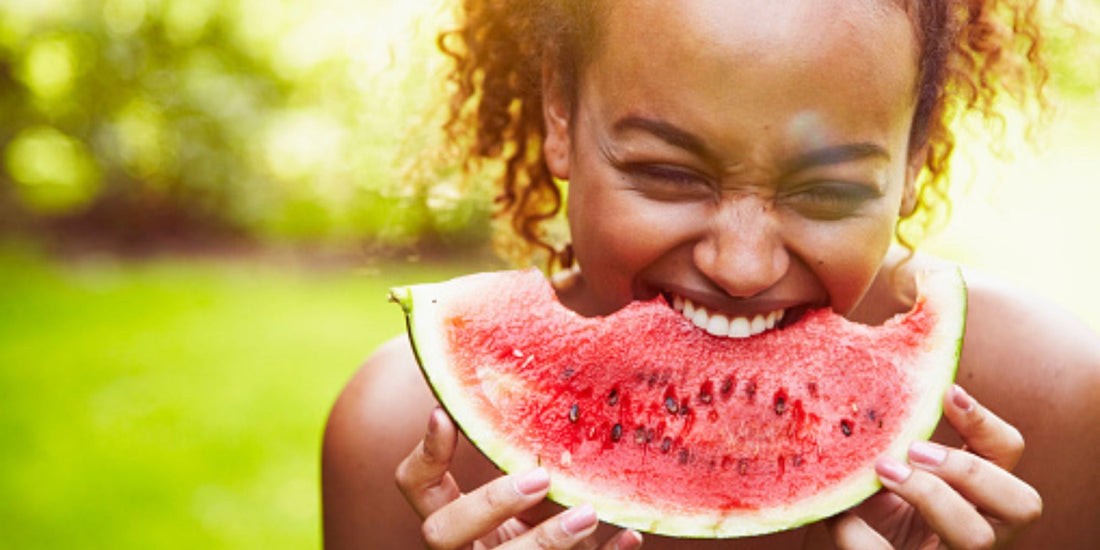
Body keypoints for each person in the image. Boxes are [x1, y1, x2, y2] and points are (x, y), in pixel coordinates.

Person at [322, 0, 1100, 548]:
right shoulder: (402, 435)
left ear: (914, 155)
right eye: (668, 174)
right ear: (560, 115)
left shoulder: (1052, 406)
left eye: (825, 192)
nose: (741, 265)